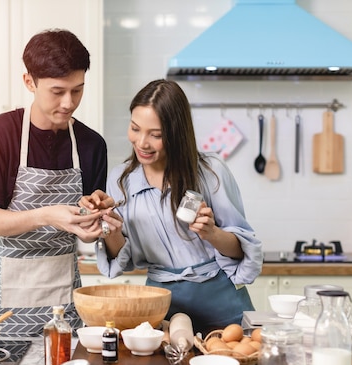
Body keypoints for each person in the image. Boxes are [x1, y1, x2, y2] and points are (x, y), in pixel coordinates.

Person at [85, 79, 263, 335]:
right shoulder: (121, 180)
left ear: (176, 133)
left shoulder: (210, 173)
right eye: (135, 128)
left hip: (224, 308)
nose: (142, 143)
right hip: (162, 305)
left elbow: (240, 251)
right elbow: (124, 259)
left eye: (155, 135)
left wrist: (211, 232)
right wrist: (110, 228)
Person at [0, 29, 108, 337]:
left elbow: (90, 237)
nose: (69, 103)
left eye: (77, 90)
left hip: (61, 305)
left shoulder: (91, 145)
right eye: (57, 91)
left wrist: (95, 221)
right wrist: (45, 215)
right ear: (29, 82)